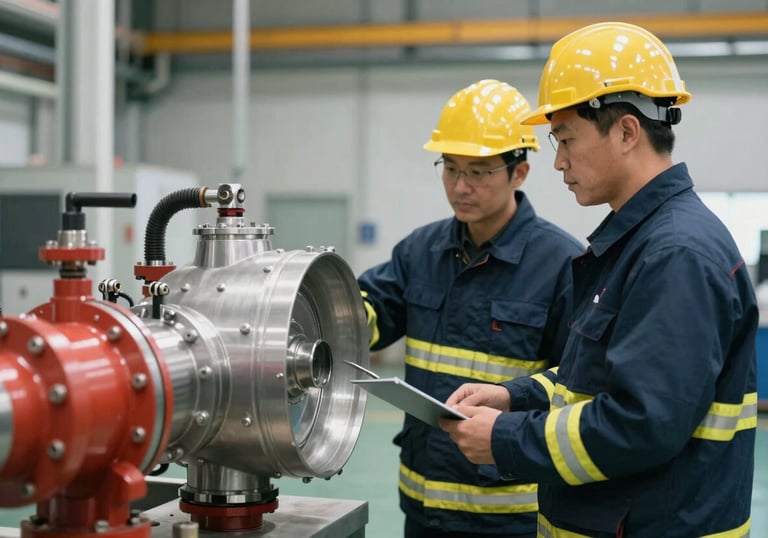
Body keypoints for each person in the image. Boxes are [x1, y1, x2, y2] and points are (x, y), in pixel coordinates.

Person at [440, 23, 758, 538]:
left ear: (628, 132)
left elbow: (642, 423)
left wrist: (506, 439)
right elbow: (601, 375)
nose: (559, 160)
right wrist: (516, 397)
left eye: (565, 139)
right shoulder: (639, 243)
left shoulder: (675, 254)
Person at [357, 79, 584, 538]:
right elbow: (366, 318)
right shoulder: (419, 252)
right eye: (450, 168)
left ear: (519, 173)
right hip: (421, 509)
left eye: (479, 172)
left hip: (509, 516)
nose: (460, 186)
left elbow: (578, 381)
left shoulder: (562, 265)